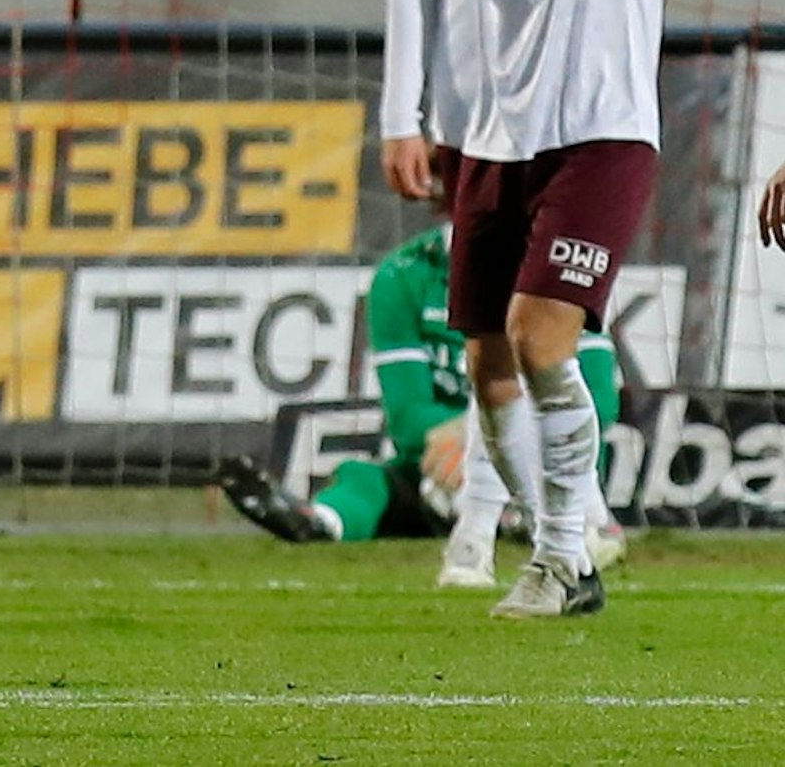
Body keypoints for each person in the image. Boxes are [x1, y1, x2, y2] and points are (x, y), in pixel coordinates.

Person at [365, 0, 669, 618]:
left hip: (601, 128)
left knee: (544, 337)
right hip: (497, 135)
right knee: (488, 356)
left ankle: (569, 552)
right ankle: (553, 543)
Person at [217, 213, 625, 586]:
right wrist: (466, 440)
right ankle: (319, 522)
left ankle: (559, 525)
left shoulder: (565, 272)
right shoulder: (404, 274)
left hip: (544, 462)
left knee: (545, 468)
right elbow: (408, 418)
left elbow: (600, 405)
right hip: (440, 463)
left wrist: (479, 434)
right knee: (366, 479)